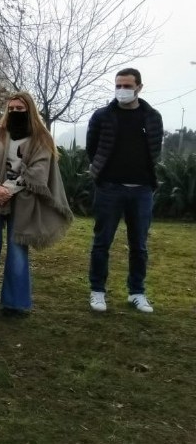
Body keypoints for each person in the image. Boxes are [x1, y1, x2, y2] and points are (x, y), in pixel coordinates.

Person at [0, 92, 73, 316]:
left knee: (17, 251)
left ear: (29, 110)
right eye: (11, 109)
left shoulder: (42, 139)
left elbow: (38, 172)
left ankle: (15, 304)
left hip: (23, 201)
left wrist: (10, 190)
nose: (14, 112)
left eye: (19, 109)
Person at [87, 68, 163, 313]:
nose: (122, 90)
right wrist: (103, 174)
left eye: (127, 86)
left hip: (141, 190)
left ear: (139, 87)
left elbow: (154, 150)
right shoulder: (102, 116)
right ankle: (97, 291)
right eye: (118, 85)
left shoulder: (152, 117)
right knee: (102, 243)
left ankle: (136, 292)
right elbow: (92, 148)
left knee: (139, 245)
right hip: (109, 188)